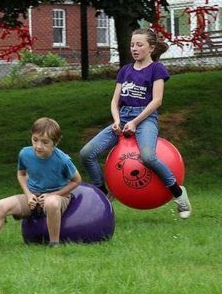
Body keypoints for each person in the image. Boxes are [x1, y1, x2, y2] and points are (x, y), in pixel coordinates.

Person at [79, 27, 192, 218]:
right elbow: (115, 101)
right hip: (123, 117)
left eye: (139, 44)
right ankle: (104, 193)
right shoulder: (125, 70)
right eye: (132, 44)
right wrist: (117, 121)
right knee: (86, 154)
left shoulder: (157, 69)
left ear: (151, 48)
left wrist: (135, 122)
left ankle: (178, 194)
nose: (134, 48)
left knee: (148, 158)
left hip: (146, 118)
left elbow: (157, 101)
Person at [0, 117, 82, 252]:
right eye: (35, 140)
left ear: (55, 142)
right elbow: (21, 174)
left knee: (51, 203)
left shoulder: (63, 160)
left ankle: (54, 244)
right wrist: (28, 195)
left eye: (45, 142)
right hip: (33, 197)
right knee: (1, 205)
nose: (38, 146)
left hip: (58, 196)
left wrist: (52, 195)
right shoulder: (25, 153)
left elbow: (77, 180)